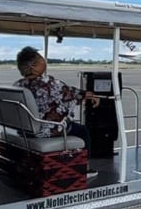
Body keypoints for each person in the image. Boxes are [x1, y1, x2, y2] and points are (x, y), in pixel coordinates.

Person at [14, 46, 100, 178]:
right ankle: (85, 168)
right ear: (34, 66)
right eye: (41, 59)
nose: (45, 61)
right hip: (46, 130)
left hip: (26, 130)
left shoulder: (18, 84)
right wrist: (86, 95)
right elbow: (70, 93)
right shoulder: (49, 83)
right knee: (82, 130)